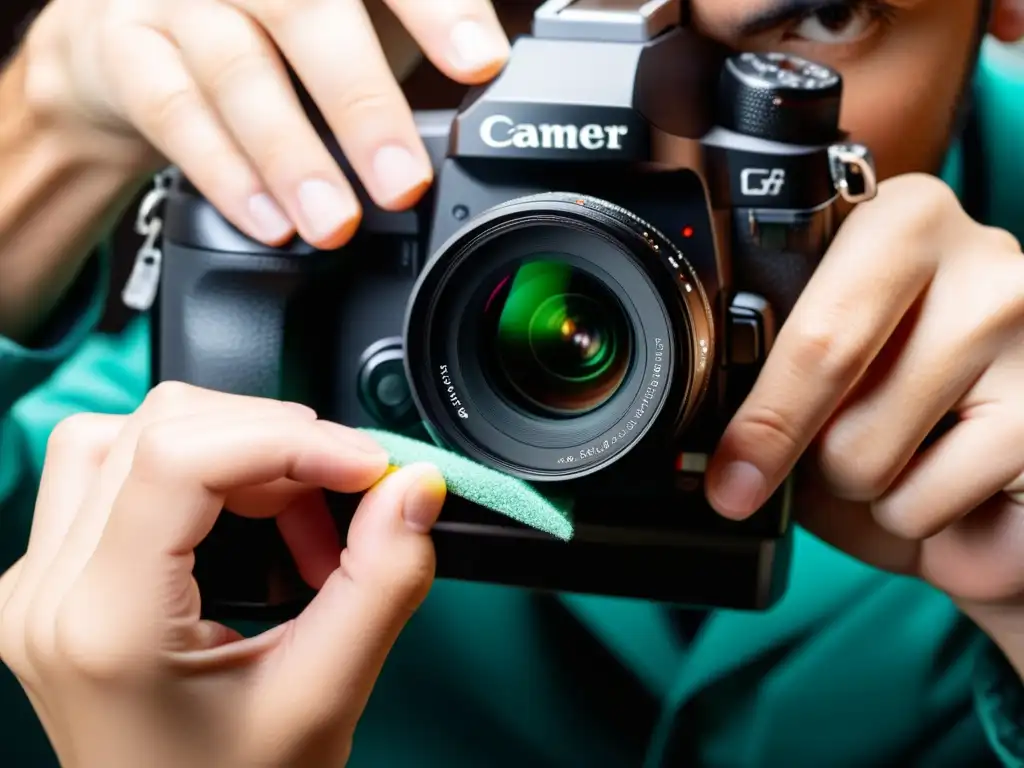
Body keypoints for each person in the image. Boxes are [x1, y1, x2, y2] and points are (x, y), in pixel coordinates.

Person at [0, 0, 1023, 765]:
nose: (619, 109)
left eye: (818, 14)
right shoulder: (305, 266)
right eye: (517, 22)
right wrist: (54, 135)